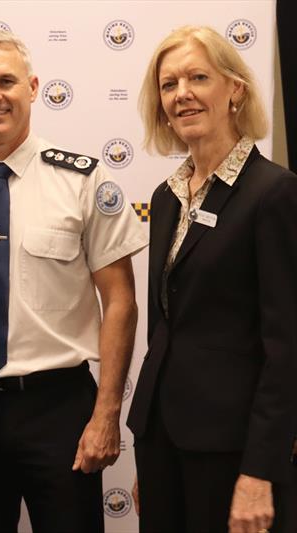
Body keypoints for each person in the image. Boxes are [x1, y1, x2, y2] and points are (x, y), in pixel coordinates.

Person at [0, 30, 148, 532]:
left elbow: (121, 302)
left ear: (34, 87)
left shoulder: (83, 181)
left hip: (58, 406)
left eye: (6, 81)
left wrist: (106, 412)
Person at [126, 25, 297, 533]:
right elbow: (167, 326)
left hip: (233, 449)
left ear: (235, 89)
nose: (182, 95)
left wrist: (259, 472)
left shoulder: (275, 194)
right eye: (169, 84)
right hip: (163, 442)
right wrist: (152, 449)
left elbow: (287, 347)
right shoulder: (166, 197)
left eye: (198, 77)